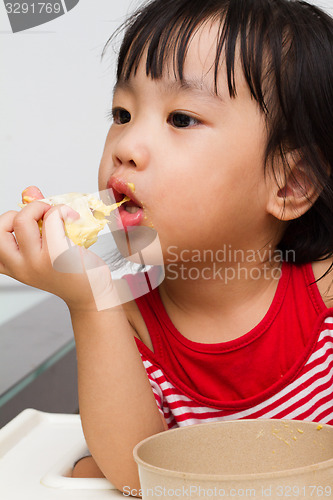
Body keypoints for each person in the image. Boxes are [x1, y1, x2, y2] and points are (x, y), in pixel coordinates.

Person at [0, 0, 333, 493]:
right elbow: (136, 477)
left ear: (289, 186)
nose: (126, 145)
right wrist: (90, 301)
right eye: (122, 113)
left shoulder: (324, 292)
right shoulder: (127, 319)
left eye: (180, 118)